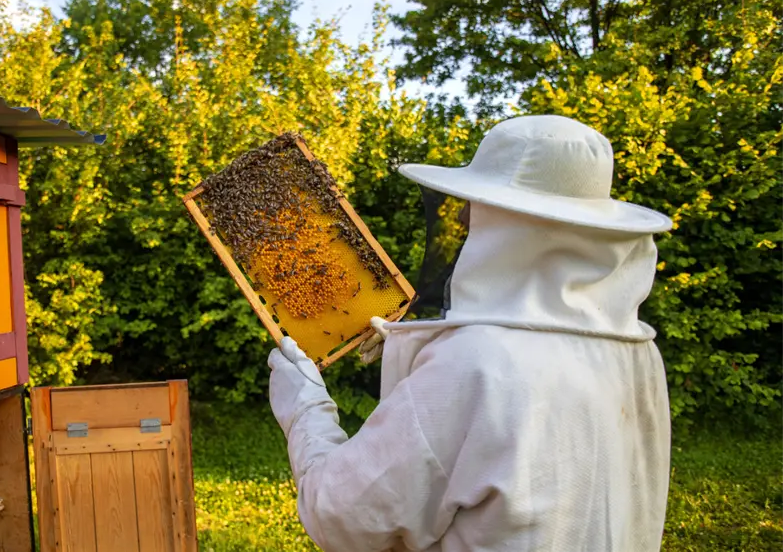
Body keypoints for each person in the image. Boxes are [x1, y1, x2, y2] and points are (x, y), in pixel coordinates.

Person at [266, 115, 674, 552]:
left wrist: (305, 408)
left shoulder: (474, 364)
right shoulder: (638, 354)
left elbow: (342, 515)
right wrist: (412, 345)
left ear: (510, 224)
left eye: (475, 205)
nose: (461, 217)